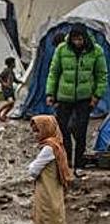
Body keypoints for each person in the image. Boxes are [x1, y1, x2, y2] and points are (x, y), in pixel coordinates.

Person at [46, 24, 108, 170]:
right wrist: (50, 93)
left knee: (81, 130)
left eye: (80, 39)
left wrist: (97, 96)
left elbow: (102, 75)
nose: (77, 42)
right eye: (75, 39)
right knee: (62, 129)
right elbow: (54, 72)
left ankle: (79, 161)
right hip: (64, 96)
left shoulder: (96, 51)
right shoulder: (62, 49)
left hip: (84, 98)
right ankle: (66, 159)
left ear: (85, 38)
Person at [26, 116, 74, 224]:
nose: (35, 135)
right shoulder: (58, 145)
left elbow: (33, 170)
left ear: (46, 129)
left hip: (47, 197)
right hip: (55, 196)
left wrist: (30, 165)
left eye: (37, 131)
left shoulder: (48, 149)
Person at [0, 57, 21, 122]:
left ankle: (4, 115)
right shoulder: (6, 71)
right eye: (14, 63)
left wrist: (21, 82)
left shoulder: (11, 72)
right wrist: (4, 83)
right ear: (11, 64)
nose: (15, 64)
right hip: (6, 89)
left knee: (12, 105)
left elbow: (15, 80)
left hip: (10, 89)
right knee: (11, 102)